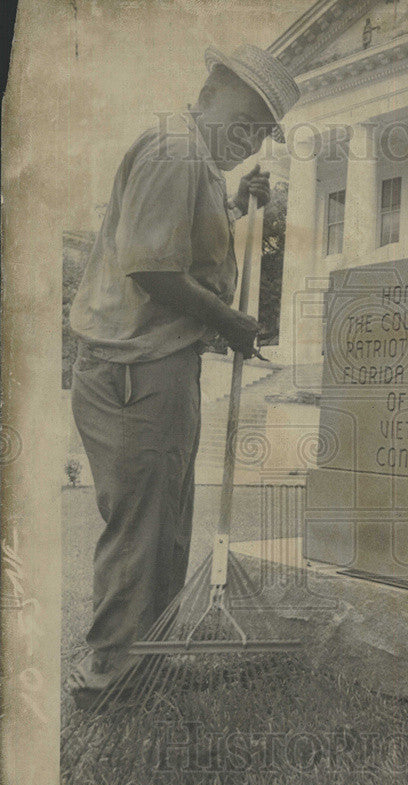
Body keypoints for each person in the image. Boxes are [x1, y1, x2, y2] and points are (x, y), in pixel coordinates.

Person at [66, 45, 300, 706]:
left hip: (155, 365)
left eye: (261, 135)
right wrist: (229, 321)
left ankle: (151, 659)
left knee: (165, 523)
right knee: (141, 528)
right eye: (252, 126)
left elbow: (174, 256)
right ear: (220, 95)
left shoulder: (193, 159)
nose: (251, 143)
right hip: (132, 369)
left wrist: (232, 216)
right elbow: (152, 269)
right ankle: (107, 676)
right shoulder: (175, 151)